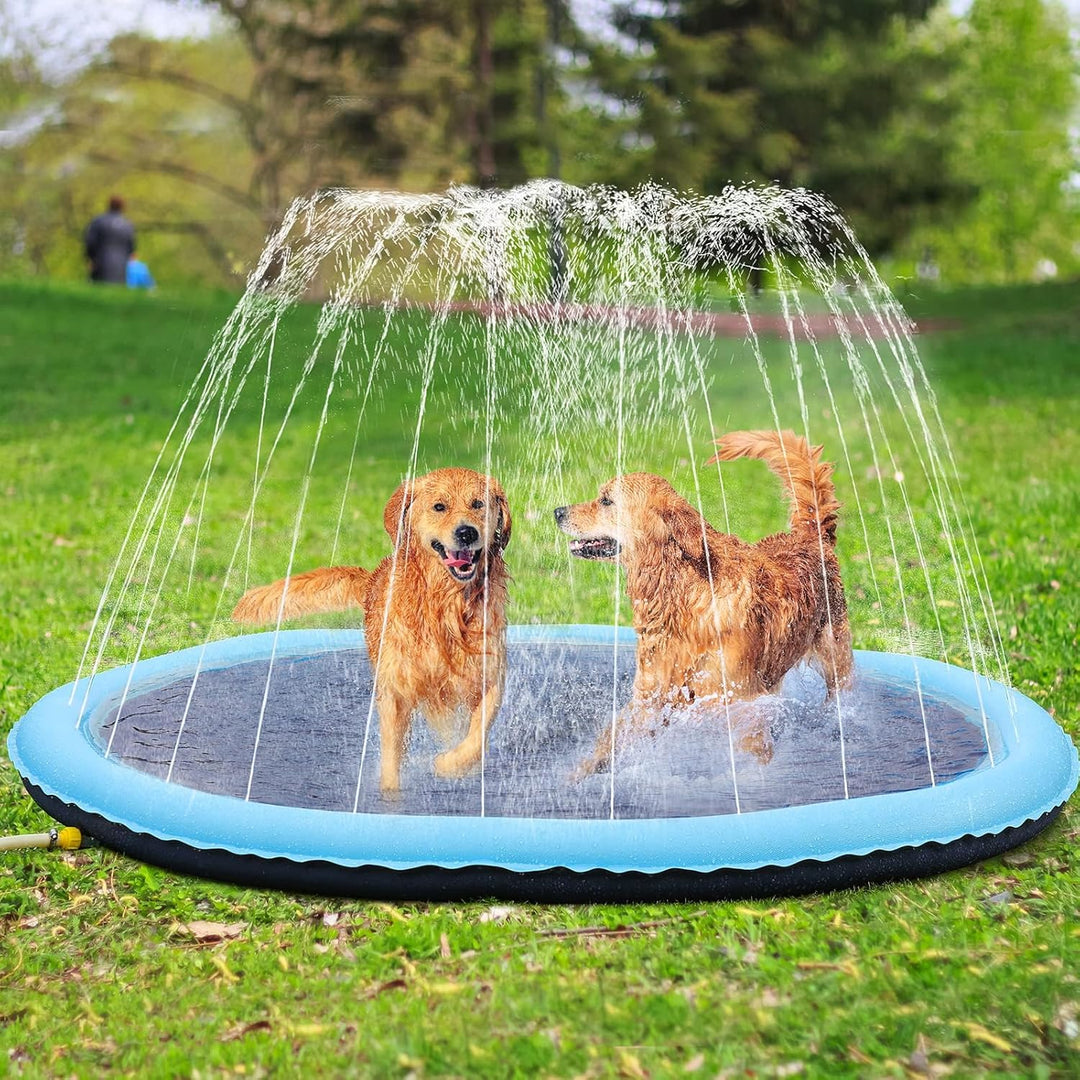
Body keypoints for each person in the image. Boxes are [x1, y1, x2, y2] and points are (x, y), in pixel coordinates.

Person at [84, 195, 135, 284]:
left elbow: (90, 242)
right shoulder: (128, 225)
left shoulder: (98, 221)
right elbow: (131, 247)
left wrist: (90, 258)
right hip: (121, 265)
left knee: (99, 286)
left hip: (101, 261)